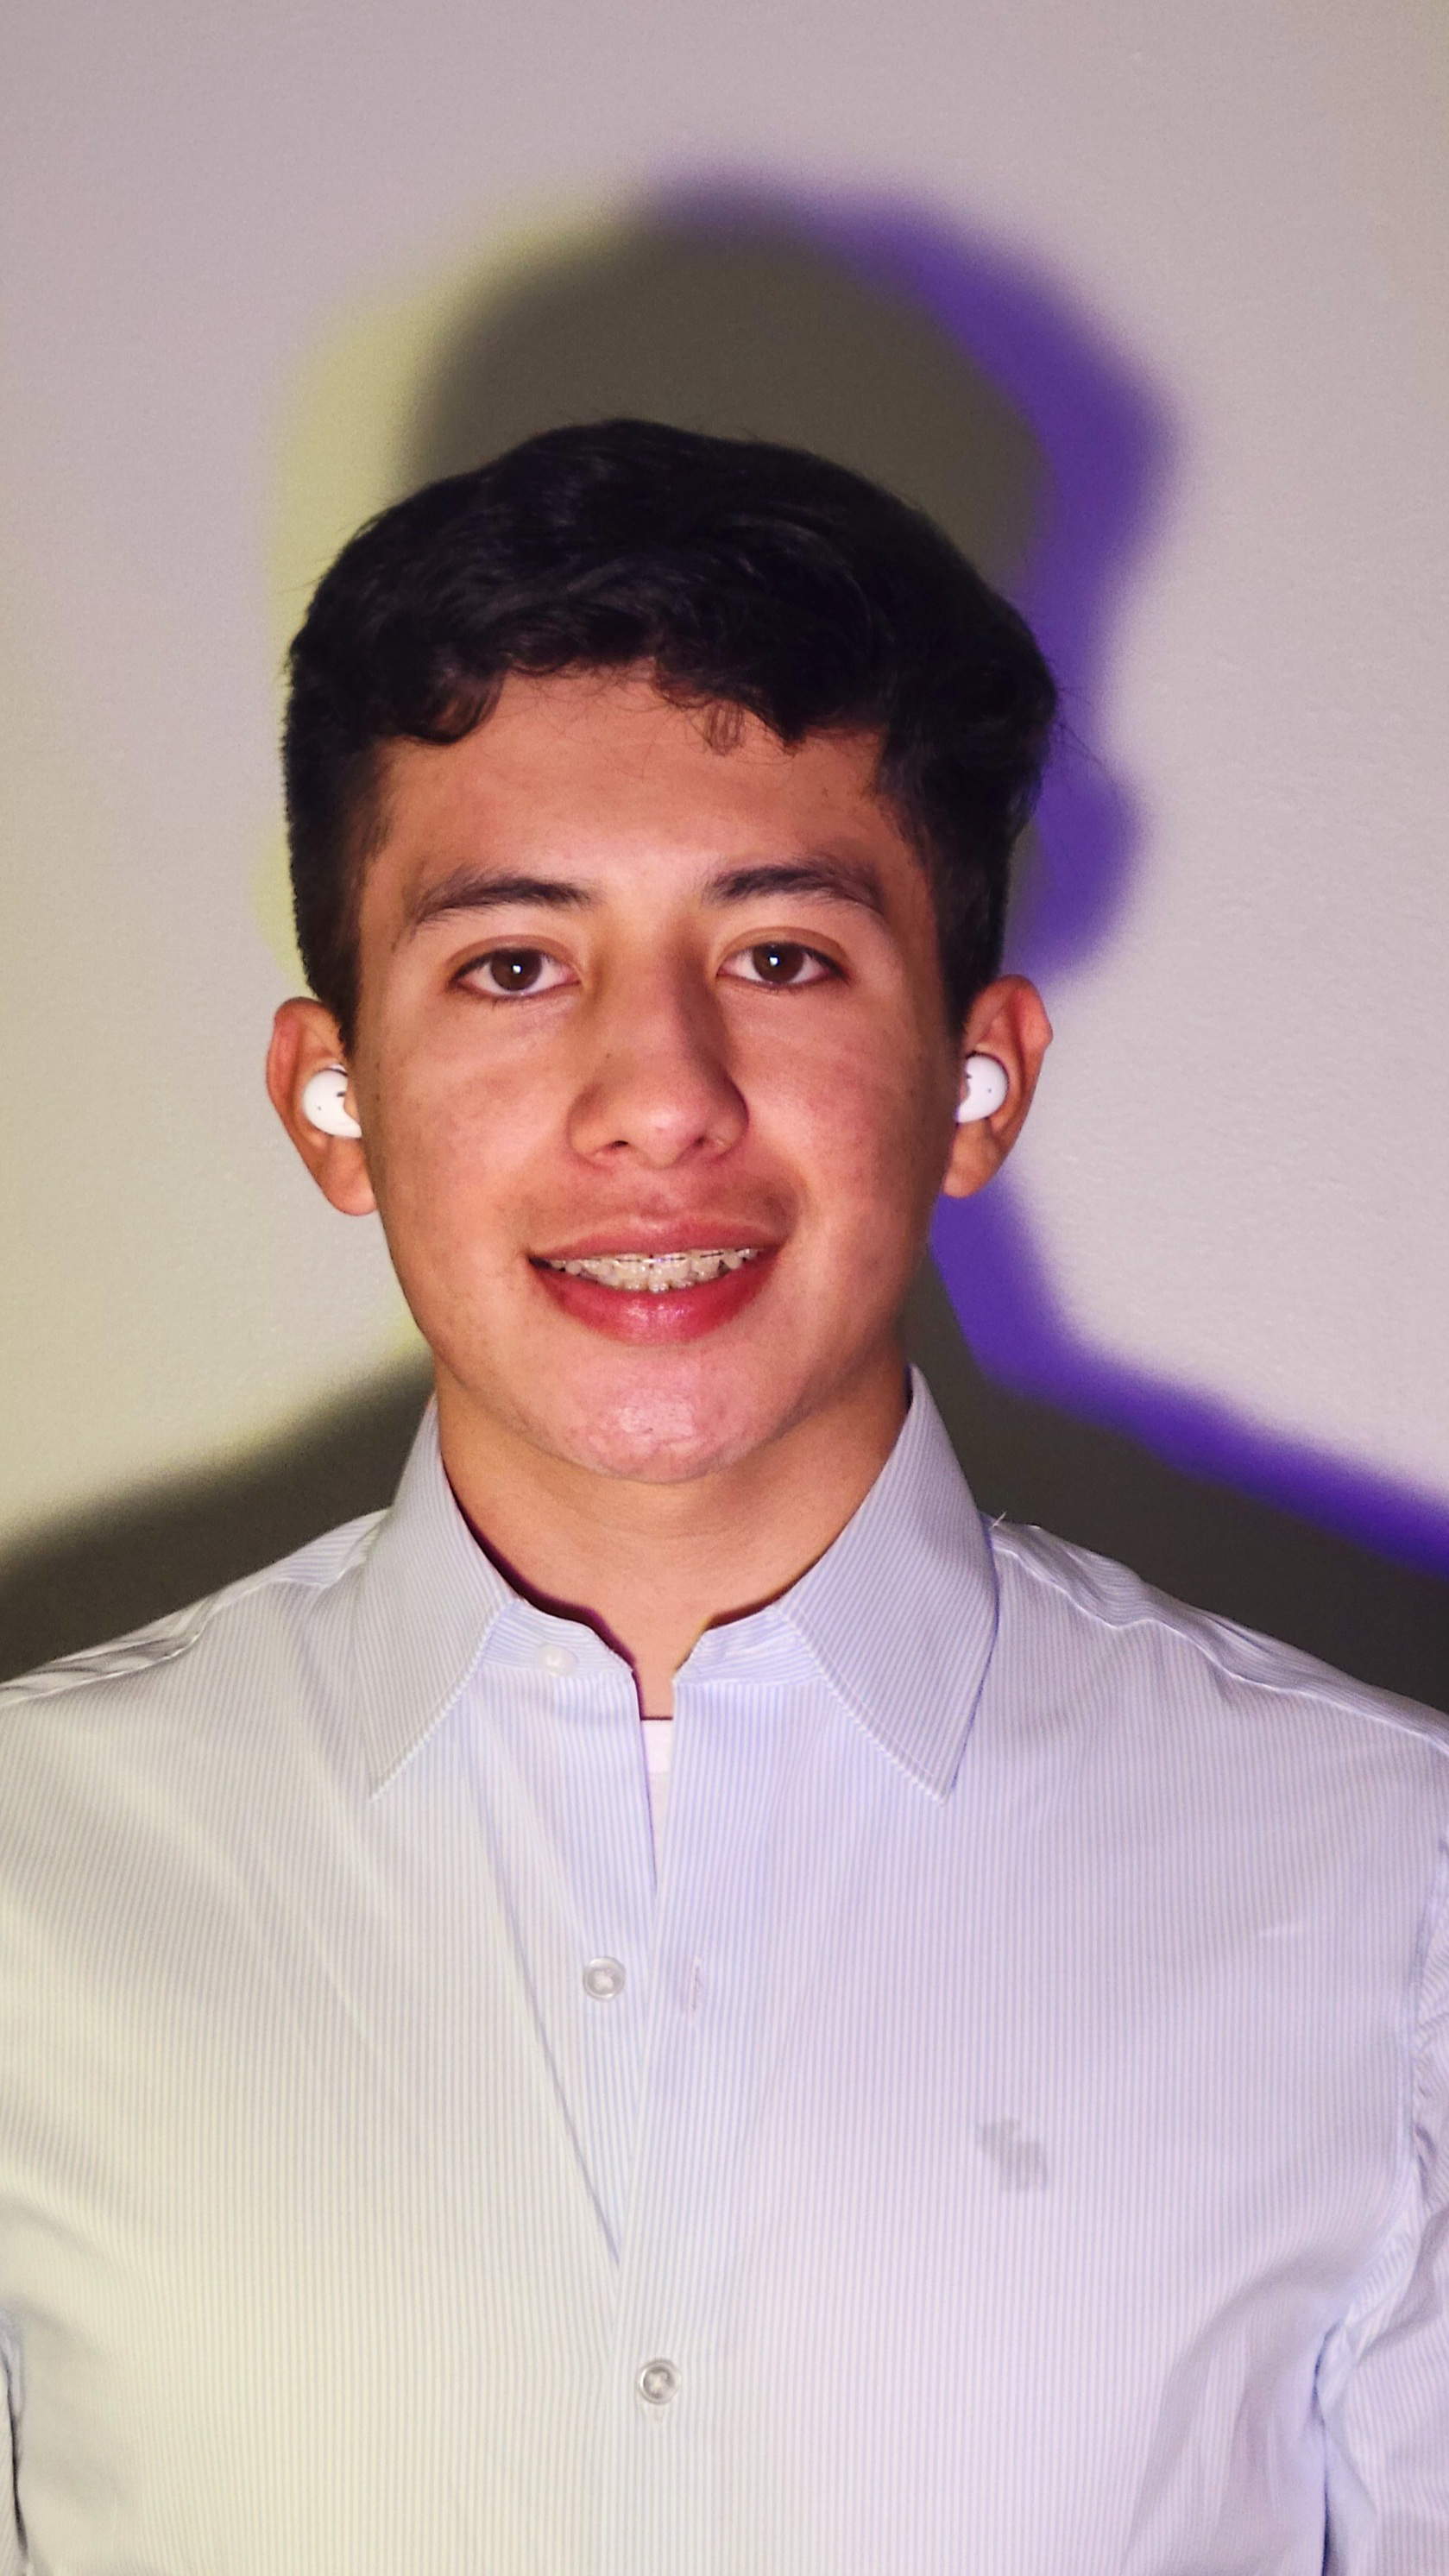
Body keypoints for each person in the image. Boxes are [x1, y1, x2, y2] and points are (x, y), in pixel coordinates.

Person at [1, 419, 1444, 2575]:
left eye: (779, 956)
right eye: (511, 963)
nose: (658, 1099)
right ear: (332, 1097)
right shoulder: (32, 1884)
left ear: (974, 1079)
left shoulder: (1387, 1895)